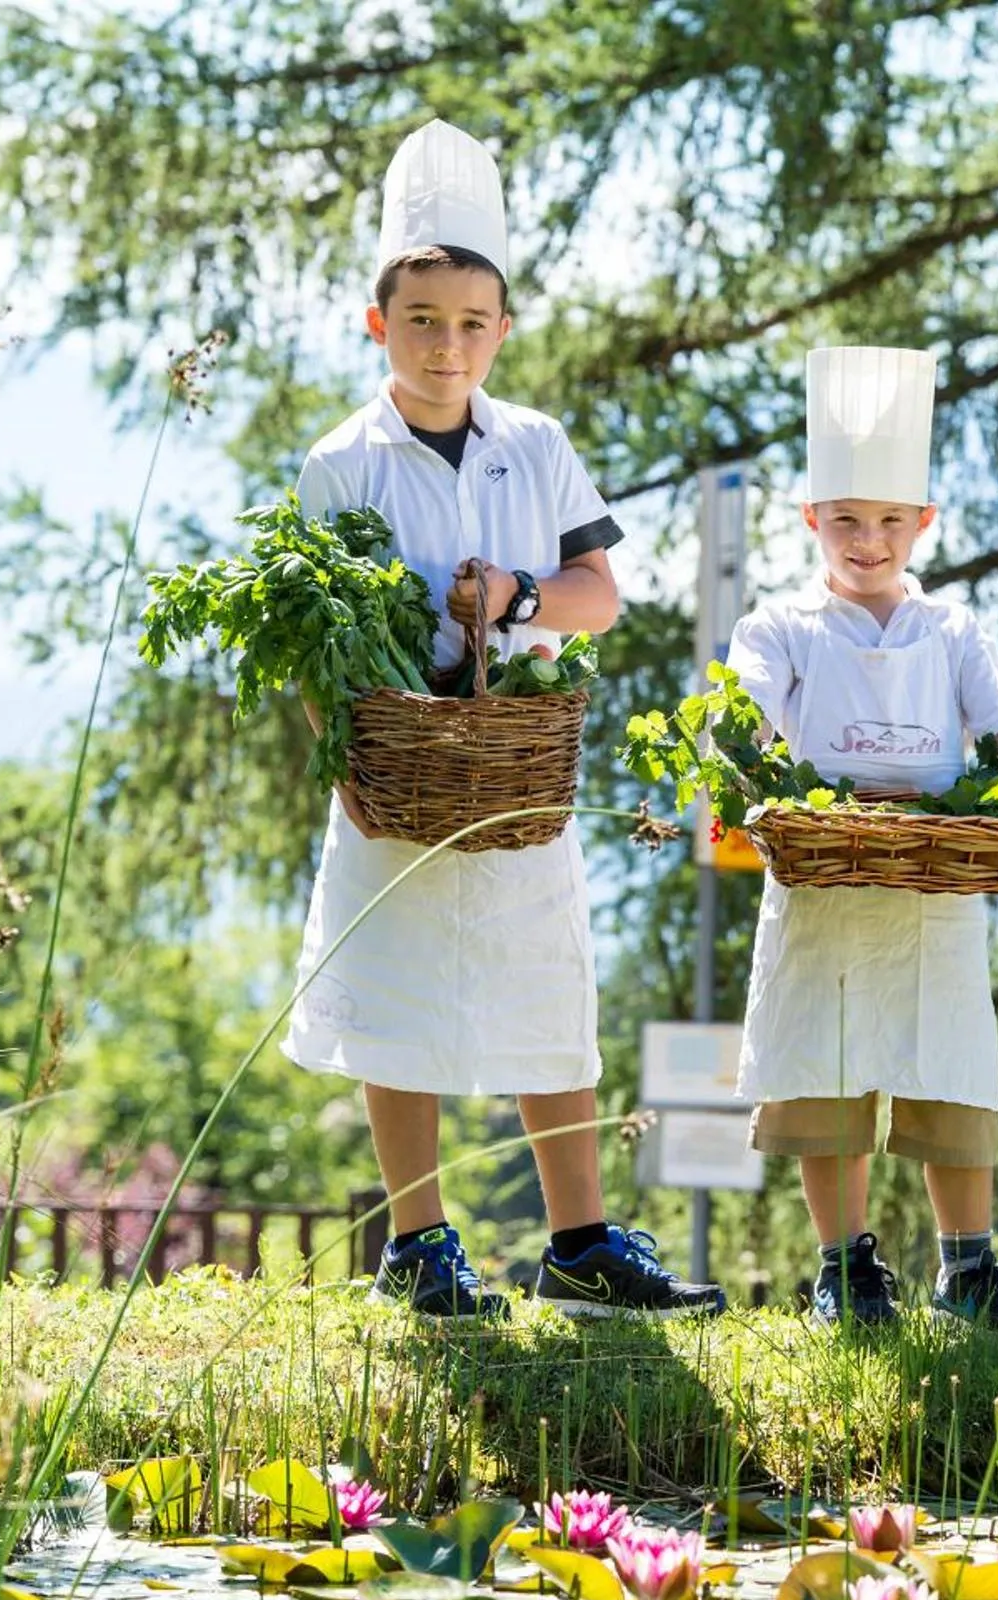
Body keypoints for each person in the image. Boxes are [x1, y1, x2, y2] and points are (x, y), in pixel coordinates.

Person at [284, 119, 724, 1322]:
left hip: (514, 765)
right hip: (397, 769)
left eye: (472, 323)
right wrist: (349, 759)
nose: (447, 345)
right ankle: (418, 1245)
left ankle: (578, 1243)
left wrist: (519, 597)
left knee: (546, 986)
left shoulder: (535, 446)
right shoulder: (343, 463)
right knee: (396, 990)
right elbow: (311, 632)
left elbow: (600, 597)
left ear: (503, 332)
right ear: (379, 324)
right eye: (422, 320)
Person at [726, 345, 998, 1331]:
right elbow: (749, 714)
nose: (867, 540)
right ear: (812, 520)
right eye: (846, 519)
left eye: (889, 521)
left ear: (922, 523)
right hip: (825, 876)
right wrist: (732, 760)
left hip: (934, 878)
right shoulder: (783, 626)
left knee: (948, 1064)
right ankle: (845, 1269)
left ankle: (966, 1270)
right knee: (827, 1067)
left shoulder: (952, 630)